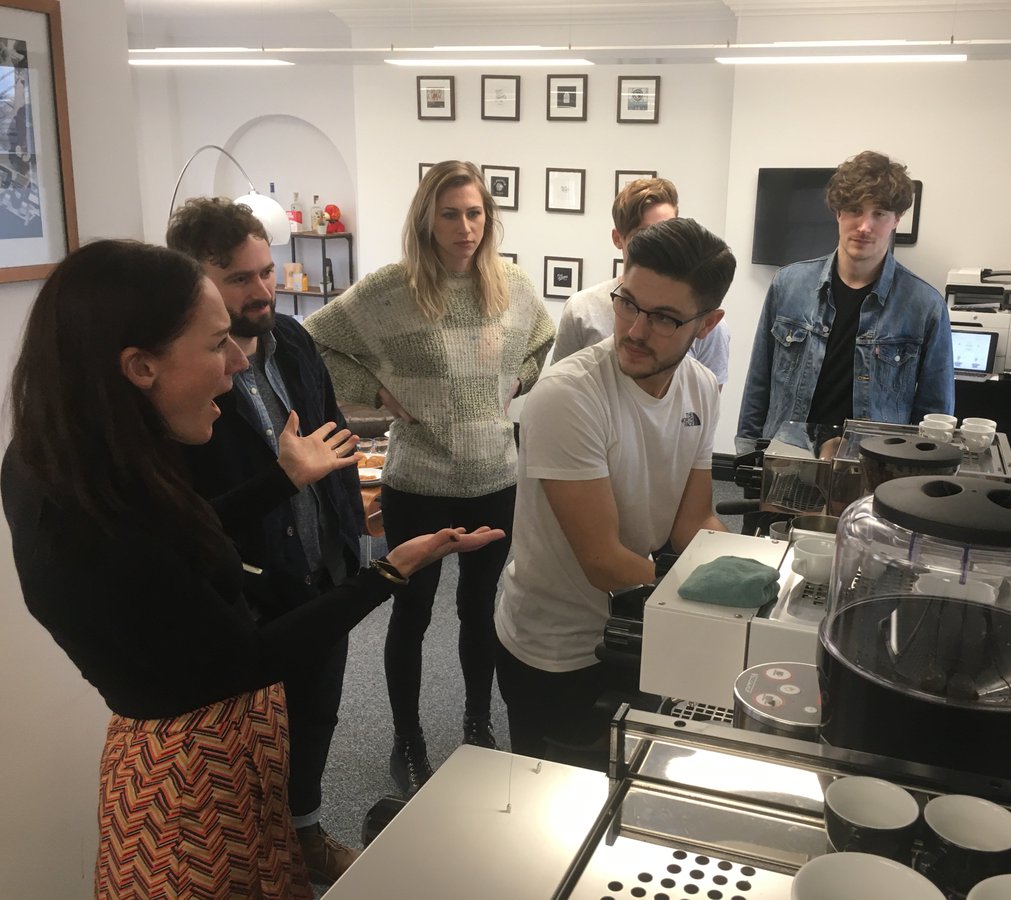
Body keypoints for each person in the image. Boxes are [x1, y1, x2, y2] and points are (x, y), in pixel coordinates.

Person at [2, 239, 504, 899]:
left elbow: (176, 540)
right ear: (140, 366)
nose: (239, 363)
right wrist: (388, 573)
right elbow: (246, 656)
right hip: (191, 784)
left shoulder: (81, 465)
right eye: (217, 346)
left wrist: (280, 480)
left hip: (213, 755)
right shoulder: (81, 510)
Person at [303, 160, 555, 796]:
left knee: (479, 609)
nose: (465, 228)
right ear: (426, 220)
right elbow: (313, 340)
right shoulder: (391, 290)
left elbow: (542, 338)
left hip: (495, 477)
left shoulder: (513, 286)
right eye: (450, 214)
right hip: (417, 483)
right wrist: (374, 391)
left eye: (475, 214)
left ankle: (477, 724)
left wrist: (518, 381)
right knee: (411, 612)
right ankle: (407, 738)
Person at [166, 197, 362, 885]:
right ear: (194, 285)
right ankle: (260, 858)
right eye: (240, 278)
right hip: (252, 587)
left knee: (317, 715)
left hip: (323, 570)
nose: (262, 289)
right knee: (253, 736)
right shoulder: (185, 374)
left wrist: (350, 538)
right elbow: (187, 511)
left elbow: (333, 439)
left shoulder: (294, 341)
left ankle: (305, 832)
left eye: (266, 270)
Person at [494, 217, 735, 759]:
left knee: (631, 780)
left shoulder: (700, 388)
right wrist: (708, 600)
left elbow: (693, 523)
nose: (634, 331)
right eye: (627, 303)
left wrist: (747, 571)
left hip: (635, 622)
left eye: (665, 318)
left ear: (707, 324)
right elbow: (603, 561)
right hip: (555, 646)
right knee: (551, 798)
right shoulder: (569, 395)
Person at [737, 150, 953, 452]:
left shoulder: (924, 305)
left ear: (897, 219)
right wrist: (748, 452)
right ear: (838, 212)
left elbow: (935, 411)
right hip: (789, 456)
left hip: (874, 464)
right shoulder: (788, 284)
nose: (864, 226)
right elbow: (759, 381)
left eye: (879, 213)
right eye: (854, 210)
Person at [552, 177, 732, 388]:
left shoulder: (703, 322)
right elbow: (560, 383)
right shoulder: (582, 309)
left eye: (665, 318)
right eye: (643, 235)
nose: (658, 244)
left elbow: (705, 399)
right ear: (618, 238)